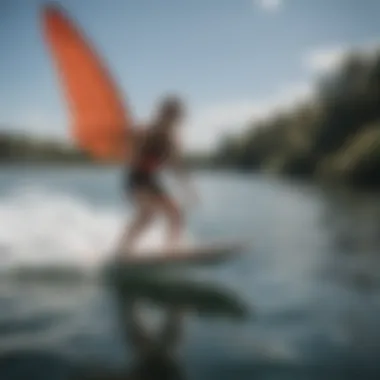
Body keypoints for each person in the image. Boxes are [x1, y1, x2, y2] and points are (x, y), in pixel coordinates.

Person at [117, 95, 197, 254]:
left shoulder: (171, 140)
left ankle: (171, 249)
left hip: (151, 180)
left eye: (176, 118)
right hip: (137, 179)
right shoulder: (146, 132)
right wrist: (133, 140)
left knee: (172, 213)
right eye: (172, 116)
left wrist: (189, 189)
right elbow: (131, 155)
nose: (174, 122)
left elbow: (177, 166)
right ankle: (123, 251)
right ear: (163, 115)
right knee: (150, 215)